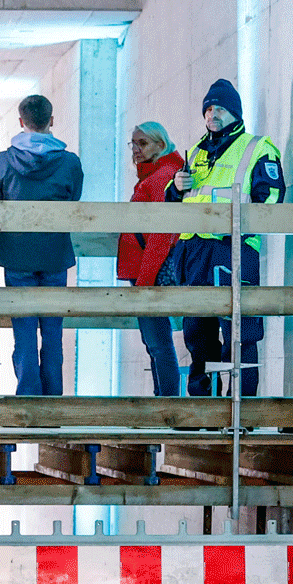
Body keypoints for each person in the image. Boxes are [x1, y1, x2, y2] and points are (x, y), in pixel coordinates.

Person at [164, 79, 284, 396]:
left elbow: (270, 198)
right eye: (208, 108)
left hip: (233, 248)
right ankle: (204, 407)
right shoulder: (198, 152)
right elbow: (173, 202)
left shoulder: (257, 148)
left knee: (239, 332)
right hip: (194, 253)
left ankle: (241, 408)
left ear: (234, 112)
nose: (212, 113)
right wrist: (175, 187)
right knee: (197, 332)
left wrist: (241, 227)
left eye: (219, 108)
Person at [0, 94, 83, 396]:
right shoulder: (69, 162)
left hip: (16, 254)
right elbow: (74, 200)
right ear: (51, 120)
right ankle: (53, 397)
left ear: (21, 122)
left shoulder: (2, 161)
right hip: (55, 254)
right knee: (53, 332)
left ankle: (28, 394)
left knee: (24, 330)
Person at [118, 121, 186, 396]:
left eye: (143, 143)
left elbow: (160, 234)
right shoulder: (156, 175)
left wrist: (144, 280)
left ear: (161, 144)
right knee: (155, 341)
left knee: (158, 342)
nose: (135, 149)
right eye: (133, 143)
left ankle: (168, 403)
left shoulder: (161, 178)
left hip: (150, 273)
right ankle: (165, 401)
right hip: (148, 271)